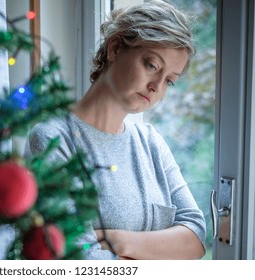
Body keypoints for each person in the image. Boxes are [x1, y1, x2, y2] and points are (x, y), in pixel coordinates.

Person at [24, 0, 206, 260]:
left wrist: (116, 240)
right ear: (116, 48)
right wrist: (163, 251)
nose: (156, 86)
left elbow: (196, 237)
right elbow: (79, 260)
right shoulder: (52, 140)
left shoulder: (152, 143)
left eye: (169, 81)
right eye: (152, 65)